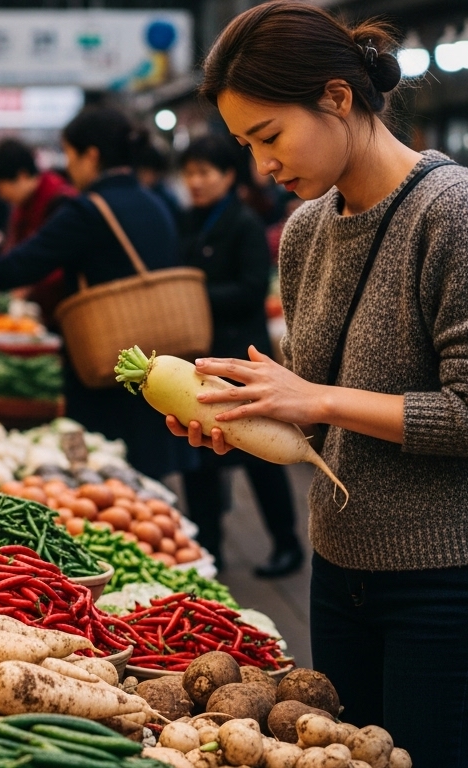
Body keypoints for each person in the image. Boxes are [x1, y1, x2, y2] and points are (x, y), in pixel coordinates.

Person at [182, 4, 468, 765]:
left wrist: (313, 400)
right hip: (343, 568)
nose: (262, 166)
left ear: (337, 99)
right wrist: (245, 416)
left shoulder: (458, 212)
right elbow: (317, 404)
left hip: (453, 581)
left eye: (269, 136)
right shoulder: (309, 230)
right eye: (247, 145)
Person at [0, 107, 193, 480]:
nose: (68, 168)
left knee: (97, 453)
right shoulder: (156, 203)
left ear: (91, 155)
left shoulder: (89, 209)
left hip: (105, 357)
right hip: (159, 353)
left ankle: (106, 507)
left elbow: (25, 262)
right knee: (147, 456)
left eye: (70, 156)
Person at [176, 133, 303, 577]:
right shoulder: (189, 220)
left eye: (204, 172)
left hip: (242, 359)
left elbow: (251, 289)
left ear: (228, 176)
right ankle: (208, 549)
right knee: (199, 455)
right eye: (189, 172)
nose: (195, 181)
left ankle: (287, 544)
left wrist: (193, 296)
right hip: (200, 357)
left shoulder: (243, 222)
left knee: (259, 455)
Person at [0, 139, 76, 320]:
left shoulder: (60, 201)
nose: (1, 196)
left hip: (63, 312)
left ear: (22, 176)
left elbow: (61, 263)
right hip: (37, 311)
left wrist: (29, 286)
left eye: (0, 188)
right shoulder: (22, 206)